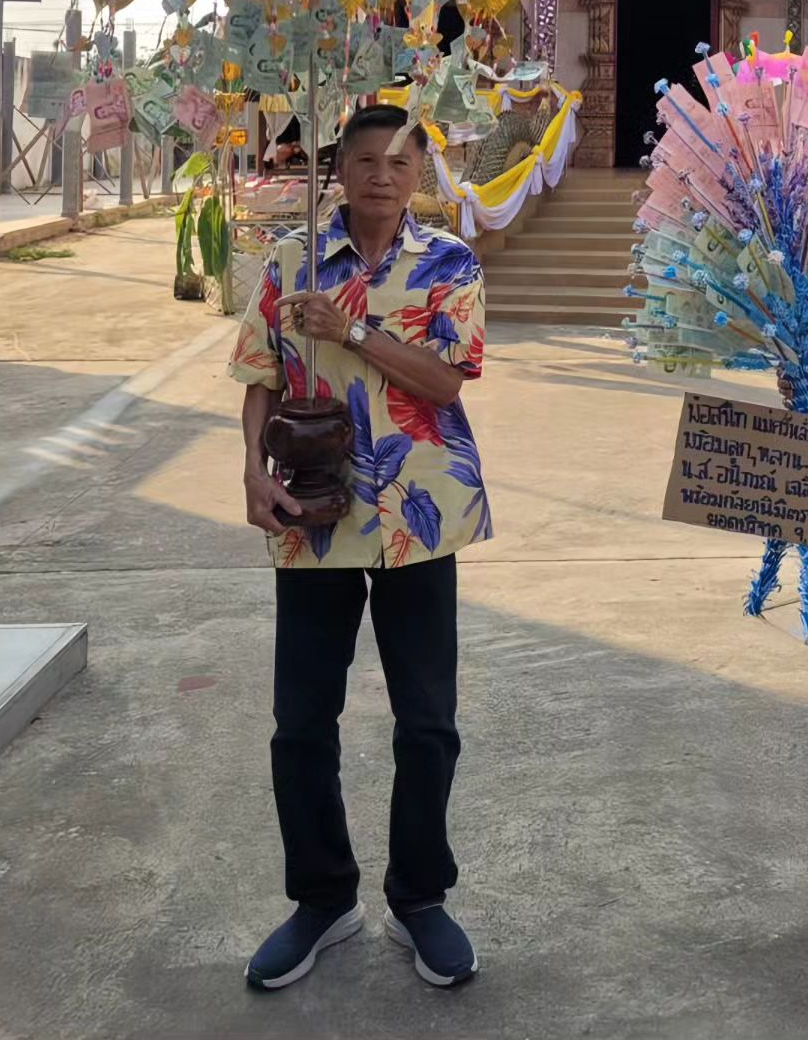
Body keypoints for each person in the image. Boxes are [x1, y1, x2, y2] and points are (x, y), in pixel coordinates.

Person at [229, 104, 488, 992]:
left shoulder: (447, 263)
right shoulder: (289, 262)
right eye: (365, 158)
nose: (382, 173)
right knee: (301, 724)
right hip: (313, 514)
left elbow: (447, 381)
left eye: (400, 162)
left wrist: (352, 332)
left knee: (427, 723)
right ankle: (322, 898)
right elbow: (260, 377)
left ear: (419, 177)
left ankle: (421, 898)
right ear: (337, 167)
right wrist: (252, 472)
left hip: (420, 517)